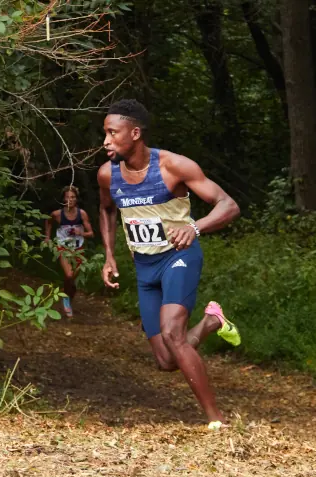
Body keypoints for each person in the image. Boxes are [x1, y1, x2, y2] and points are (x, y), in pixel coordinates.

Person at [97, 99, 241, 428]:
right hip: (145, 268)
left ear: (134, 133)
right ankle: (210, 322)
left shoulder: (173, 167)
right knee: (165, 360)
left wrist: (194, 227)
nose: (105, 141)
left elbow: (228, 205)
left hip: (179, 257)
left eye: (111, 133)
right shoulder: (107, 175)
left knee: (173, 334)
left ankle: (216, 422)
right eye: (104, 133)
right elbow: (105, 210)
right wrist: (109, 254)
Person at [45, 185, 94, 317]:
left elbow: (91, 233)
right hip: (63, 248)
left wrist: (81, 232)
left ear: (76, 199)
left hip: (78, 249)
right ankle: (66, 299)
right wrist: (47, 237)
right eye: (67, 197)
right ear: (63, 199)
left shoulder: (81, 214)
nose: (70, 200)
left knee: (73, 278)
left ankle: (68, 294)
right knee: (68, 275)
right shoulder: (57, 214)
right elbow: (48, 222)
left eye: (72, 197)